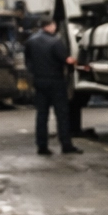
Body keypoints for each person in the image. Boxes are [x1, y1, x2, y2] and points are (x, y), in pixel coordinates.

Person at [24, 20, 82, 155]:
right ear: (50, 26)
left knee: (41, 115)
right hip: (55, 81)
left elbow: (28, 61)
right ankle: (66, 145)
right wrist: (78, 62)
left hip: (39, 81)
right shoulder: (55, 41)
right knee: (61, 114)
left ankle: (42, 147)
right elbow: (67, 60)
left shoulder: (31, 41)